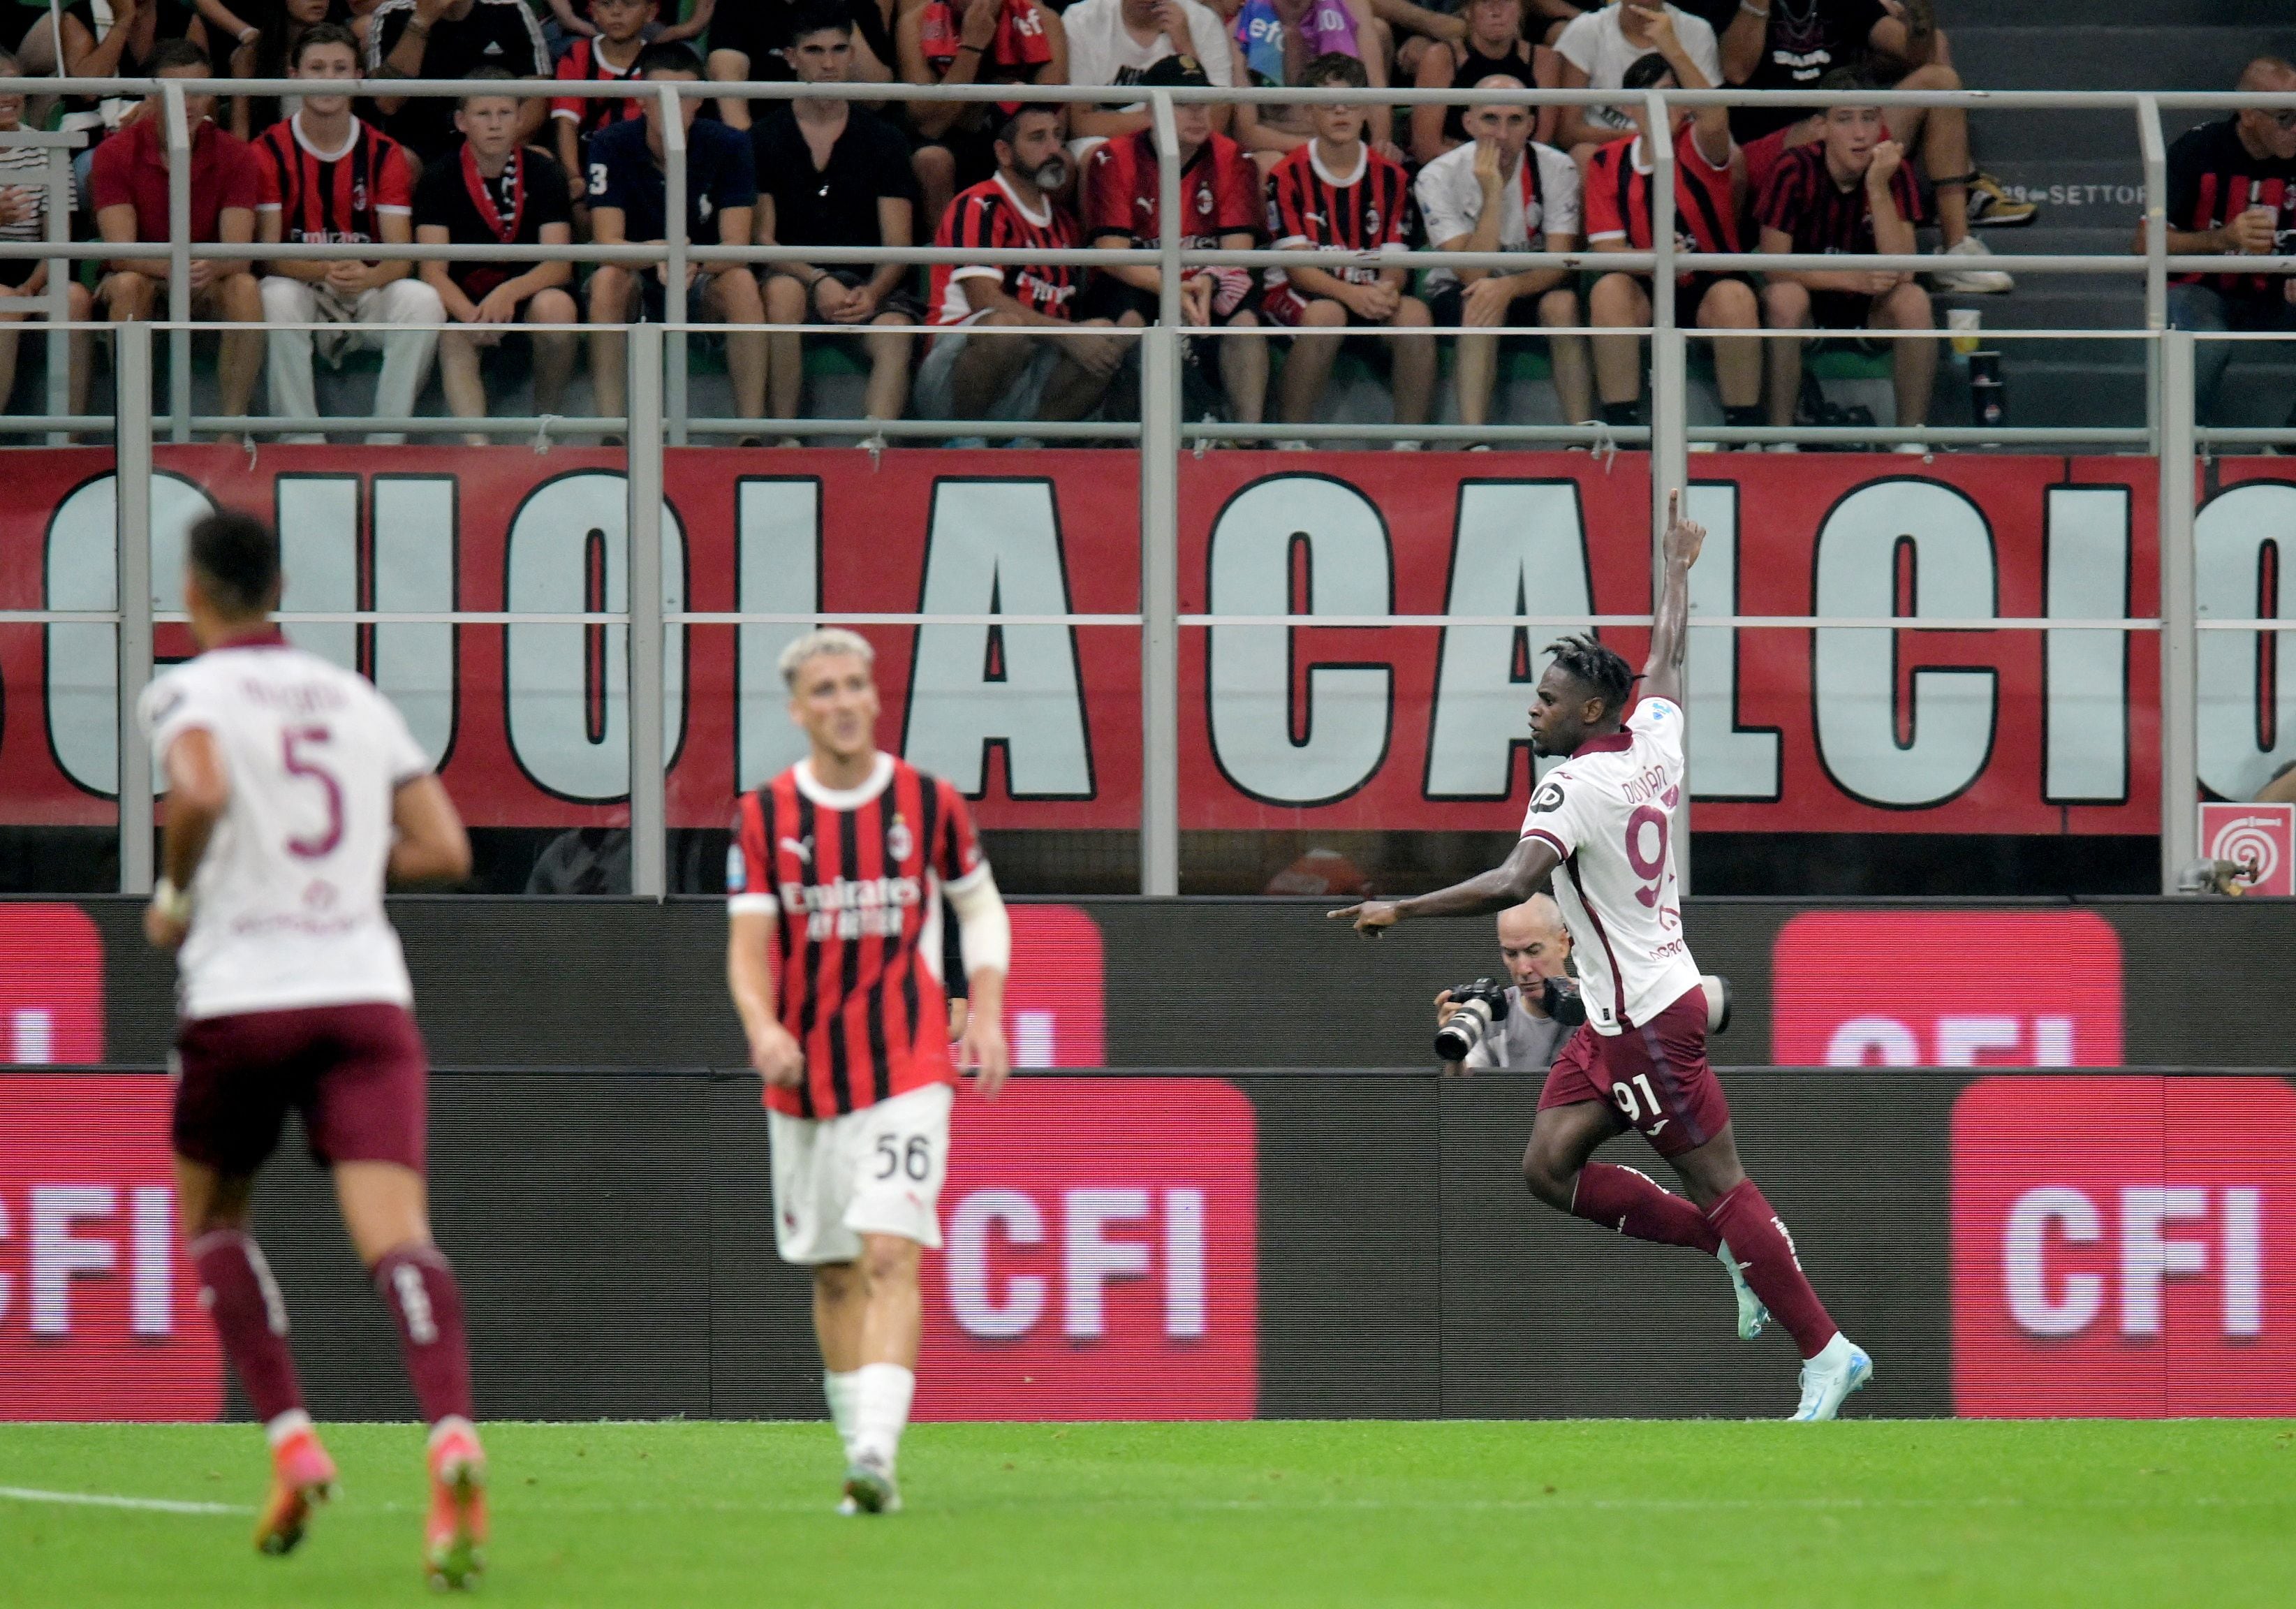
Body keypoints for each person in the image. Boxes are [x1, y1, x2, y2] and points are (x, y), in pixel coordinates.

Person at [1332, 491, 1875, 1423]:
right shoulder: (1652, 740)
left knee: (1723, 1182)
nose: (1533, 709)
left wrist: (1400, 907)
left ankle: (1827, 1351)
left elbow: (1513, 883)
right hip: (1622, 1013)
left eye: (1547, 699)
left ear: (1588, 709)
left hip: (1650, 1027)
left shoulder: (1573, 787)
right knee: (1548, 1168)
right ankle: (1731, 1254)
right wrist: (1676, 573)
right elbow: (1664, 659)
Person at [138, 508, 485, 1584]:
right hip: (364, 996)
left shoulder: (190, 692)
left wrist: (180, 886)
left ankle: (292, 1440)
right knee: (400, 1238)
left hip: (245, 994)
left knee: (213, 1219)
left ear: (194, 593)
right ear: (280, 584)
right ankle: (453, 1441)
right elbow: (445, 848)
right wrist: (333, 883)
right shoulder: (352, 697)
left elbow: (198, 786)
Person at [725, 626, 1014, 1515]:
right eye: (824, 690)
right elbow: (746, 948)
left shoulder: (928, 803)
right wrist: (763, 1025)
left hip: (909, 1063)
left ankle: (879, 1457)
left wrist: (991, 1012)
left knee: (892, 1252)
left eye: (856, 685)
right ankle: (859, 1450)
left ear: (876, 697)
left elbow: (982, 911)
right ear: (797, 710)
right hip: (806, 1077)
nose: (844, 702)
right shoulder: (766, 814)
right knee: (836, 1270)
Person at [1714, 0, 2015, 293]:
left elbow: (1918, 54)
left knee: (1940, 82)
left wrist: (1919, 10)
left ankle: (1957, 249)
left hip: (1841, 129)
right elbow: (1736, 69)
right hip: (1763, 150)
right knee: (1828, 125)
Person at [253, 23, 442, 445]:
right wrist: (324, 271)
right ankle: (299, 439)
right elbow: (267, 255)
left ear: (358, 75)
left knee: (423, 300)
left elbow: (401, 254)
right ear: (294, 75)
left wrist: (369, 277)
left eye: (340, 68)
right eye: (316, 68)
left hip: (366, 289)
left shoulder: (385, 153)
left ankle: (386, 441)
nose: (328, 79)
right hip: (306, 289)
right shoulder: (266, 150)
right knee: (272, 294)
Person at [754, 3, 924, 433]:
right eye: (814, 51)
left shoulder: (886, 140)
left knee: (895, 334)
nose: (828, 64)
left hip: (869, 285)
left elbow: (898, 245)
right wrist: (816, 279)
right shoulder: (763, 137)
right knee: (782, 297)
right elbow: (761, 239)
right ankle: (784, 437)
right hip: (794, 278)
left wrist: (873, 291)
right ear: (791, 57)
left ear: (852, 55)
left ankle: (874, 450)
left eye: (839, 49)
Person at [585, 43, 767, 430]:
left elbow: (738, 247)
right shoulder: (609, 144)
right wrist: (658, 255)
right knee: (606, 281)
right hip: (638, 270)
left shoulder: (730, 145)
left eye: (684, 96)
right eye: (661, 95)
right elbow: (606, 243)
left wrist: (691, 262)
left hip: (698, 274)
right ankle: (611, 431)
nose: (672, 107)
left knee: (741, 283)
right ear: (641, 98)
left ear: (700, 97)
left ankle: (750, 433)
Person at [1080, 53, 1267, 427]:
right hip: (1137, 278)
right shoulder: (1111, 158)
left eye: (1203, 103)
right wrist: (1173, 288)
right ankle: (1114, 437)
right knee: (1130, 321)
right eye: (1183, 103)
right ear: (1150, 110)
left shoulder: (1235, 158)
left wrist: (1205, 283)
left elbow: (1238, 252)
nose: (1199, 114)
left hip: (1209, 277)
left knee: (1244, 321)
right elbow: (1112, 255)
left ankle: (1247, 439)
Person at [916, 103, 1128, 431]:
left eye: (1058, 136)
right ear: (1004, 152)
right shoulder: (979, 205)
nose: (1054, 149)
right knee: (1005, 330)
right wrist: (1070, 336)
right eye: (1038, 138)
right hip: (956, 372)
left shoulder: (1063, 222)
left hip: (1033, 367)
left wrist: (1082, 336)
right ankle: (960, 439)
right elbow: (985, 300)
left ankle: (1031, 442)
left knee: (1108, 337)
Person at [1585, 47, 1760, 440]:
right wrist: (1660, 259)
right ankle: (1621, 428)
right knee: (1609, 290)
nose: (1661, 105)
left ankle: (1746, 434)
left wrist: (1671, 43)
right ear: (1629, 107)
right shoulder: (1606, 161)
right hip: (1647, 283)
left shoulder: (1700, 144)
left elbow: (1715, 114)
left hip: (1711, 282)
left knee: (1735, 300)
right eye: (1650, 96)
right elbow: (1605, 250)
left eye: (1670, 92)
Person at [90, 39, 265, 427]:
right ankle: (135, 427)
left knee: (245, 288)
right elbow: (121, 253)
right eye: (175, 91)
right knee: (130, 285)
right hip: (146, 274)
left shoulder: (236, 155)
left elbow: (239, 254)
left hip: (204, 277)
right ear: (151, 96)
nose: (187, 103)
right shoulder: (114, 153)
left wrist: (206, 269)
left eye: (198, 91)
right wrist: (175, 268)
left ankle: (231, 429)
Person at [1262, 53, 1433, 448]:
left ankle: (1410, 446)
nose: (1340, 111)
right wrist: (1353, 294)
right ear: (1309, 112)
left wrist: (1387, 289)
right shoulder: (1286, 174)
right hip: (1301, 294)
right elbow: (1298, 269)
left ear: (1365, 109)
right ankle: (1288, 439)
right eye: (1327, 103)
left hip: (1369, 294)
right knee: (1328, 314)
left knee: (1415, 314)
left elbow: (1395, 259)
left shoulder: (1392, 176)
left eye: (1351, 101)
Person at [1756, 73, 1933, 451]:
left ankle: (1911, 440)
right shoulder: (1793, 168)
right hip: (1810, 313)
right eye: (1845, 119)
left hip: (1871, 312)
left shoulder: (1894, 172)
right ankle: (1779, 440)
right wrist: (1850, 279)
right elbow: (1773, 265)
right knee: (1783, 297)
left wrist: (1877, 188)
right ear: (1821, 127)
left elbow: (1903, 269)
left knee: (1914, 300)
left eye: (1869, 119)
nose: (1860, 133)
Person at [1413, 76, 1591, 431]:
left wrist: (1509, 287)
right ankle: (1473, 441)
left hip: (1532, 284)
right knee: (1480, 301)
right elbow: (1472, 275)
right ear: (1468, 123)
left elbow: (1560, 261)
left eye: (1515, 121)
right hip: (1460, 288)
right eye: (1490, 119)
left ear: (1531, 125)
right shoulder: (1437, 175)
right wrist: (1493, 193)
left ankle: (1583, 438)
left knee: (1563, 305)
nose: (1502, 134)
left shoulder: (1558, 168)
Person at [414, 70, 579, 443]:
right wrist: (472, 318)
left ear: (520, 118)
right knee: (454, 338)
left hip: (527, 298)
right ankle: (479, 449)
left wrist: (510, 293)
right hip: (467, 304)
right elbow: (432, 271)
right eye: (482, 114)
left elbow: (559, 264)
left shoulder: (545, 173)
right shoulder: (438, 177)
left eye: (504, 113)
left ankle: (545, 426)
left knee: (557, 309)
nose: (494, 125)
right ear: (461, 122)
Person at [2151, 57, 2296, 428]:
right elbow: (2145, 243)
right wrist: (2223, 238)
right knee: (2205, 341)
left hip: (2276, 295)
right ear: (2248, 114)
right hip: (2201, 288)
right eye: (2285, 118)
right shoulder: (2198, 149)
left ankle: (2286, 448)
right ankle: (2179, 445)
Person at [898, 0, 1066, 235]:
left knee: (1057, 157)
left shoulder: (1044, 20)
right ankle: (953, 257)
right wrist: (972, 47)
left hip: (1016, 138)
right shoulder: (915, 23)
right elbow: (929, 126)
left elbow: (1055, 118)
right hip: (951, 142)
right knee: (932, 160)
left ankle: (1043, 250)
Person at [0, 47, 95, 423]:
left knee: (74, 297)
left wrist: (31, 287)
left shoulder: (46, 148)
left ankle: (67, 441)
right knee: (4, 305)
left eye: (15, 85)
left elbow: (59, 240)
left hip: (32, 266)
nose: (8, 96)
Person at [367, 0, 552, 170]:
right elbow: (387, 103)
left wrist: (478, 157)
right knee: (402, 163)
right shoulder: (391, 14)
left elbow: (534, 108)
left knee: (540, 159)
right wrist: (421, 22)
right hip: (420, 152)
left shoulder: (512, 10)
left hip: (494, 150)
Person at [1215, 0, 1394, 174]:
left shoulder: (1352, 7)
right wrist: (1322, 149)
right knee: (1268, 163)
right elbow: (1247, 133)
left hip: (1347, 141)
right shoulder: (1240, 31)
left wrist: (1380, 145)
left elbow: (1376, 94)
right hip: (1281, 149)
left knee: (1384, 162)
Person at [1550, 1, 1719, 165]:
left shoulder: (1697, 31)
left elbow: (1714, 119)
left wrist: (1673, 48)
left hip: (1680, 141)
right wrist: (1643, 137)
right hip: (1608, 147)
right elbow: (1568, 132)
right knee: (1584, 155)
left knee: (1734, 156)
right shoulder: (1586, 29)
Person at [1063, 0, 1237, 149]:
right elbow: (1080, 125)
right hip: (1109, 144)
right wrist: (1169, 121)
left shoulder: (1203, 22)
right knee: (1097, 153)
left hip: (1185, 143)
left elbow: (1217, 119)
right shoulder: (1080, 20)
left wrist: (1186, 49)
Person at [1434, 894, 1576, 1075]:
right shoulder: (1492, 1016)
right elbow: (1461, 1095)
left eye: (1533, 951)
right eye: (1511, 954)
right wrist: (1456, 1050)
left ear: (1563, 944)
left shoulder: (1600, 1007)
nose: (1523, 969)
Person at [708, 0, 896, 131]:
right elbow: (727, 79)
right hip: (763, 130)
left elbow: (876, 97)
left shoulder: (856, 5)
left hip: (848, 137)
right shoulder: (737, 6)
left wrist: (835, 12)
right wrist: (750, 151)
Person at [1410, 0, 1535, 169]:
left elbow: (1539, 147)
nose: (1496, 11)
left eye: (1506, 1)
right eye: (1486, 2)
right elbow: (1426, 149)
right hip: (1452, 173)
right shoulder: (1440, 58)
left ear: (1521, 9)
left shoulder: (1544, 60)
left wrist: (1458, 146)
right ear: (1469, 11)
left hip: (1520, 175)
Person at [551, 0, 654, 205]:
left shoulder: (660, 61)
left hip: (645, 171)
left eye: (629, 5)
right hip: (589, 169)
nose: (616, 12)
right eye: (606, 4)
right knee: (579, 208)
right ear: (593, 12)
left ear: (650, 13)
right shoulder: (576, 55)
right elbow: (566, 123)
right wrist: (574, 178)